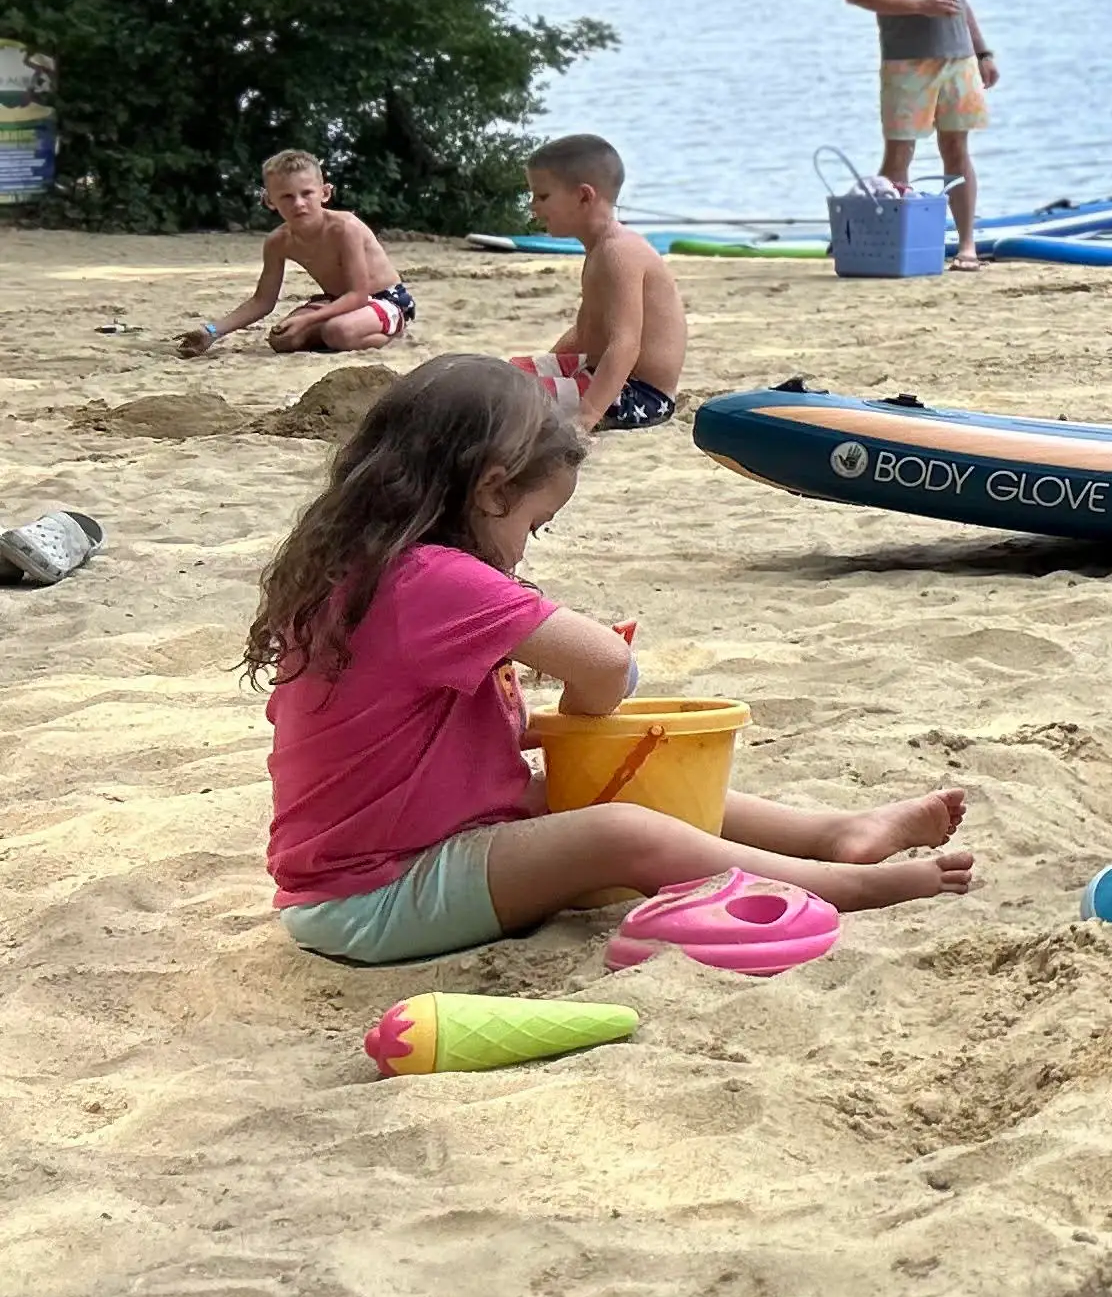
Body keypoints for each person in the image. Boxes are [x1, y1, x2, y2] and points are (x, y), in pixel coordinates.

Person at [251, 356, 972, 967]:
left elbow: (387, 732)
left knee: (597, 781)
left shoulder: (356, 569)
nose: (525, 548)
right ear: (492, 488)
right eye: (533, 524)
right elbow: (609, 669)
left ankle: (831, 835)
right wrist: (585, 708)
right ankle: (831, 882)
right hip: (374, 897)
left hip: (375, 864)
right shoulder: (429, 577)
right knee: (617, 826)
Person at [845, 0, 1000, 269]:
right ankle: (889, 243)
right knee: (901, 152)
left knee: (958, 148)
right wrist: (918, 5)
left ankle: (967, 245)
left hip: (959, 58)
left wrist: (981, 50)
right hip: (909, 61)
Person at [510, 134, 688, 432]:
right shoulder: (599, 247)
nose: (533, 208)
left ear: (583, 196)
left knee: (509, 397)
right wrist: (550, 364)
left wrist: (585, 419)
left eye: (541, 197)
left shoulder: (619, 253)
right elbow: (587, 329)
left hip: (639, 394)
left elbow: (625, 345)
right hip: (600, 373)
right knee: (506, 375)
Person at [180, 149, 412, 358]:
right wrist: (212, 331)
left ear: (325, 193)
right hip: (337, 301)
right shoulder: (278, 242)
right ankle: (340, 327)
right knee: (282, 339)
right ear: (270, 201)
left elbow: (358, 295)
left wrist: (308, 319)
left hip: (384, 299)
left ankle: (390, 331)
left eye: (306, 193)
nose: (299, 203)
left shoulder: (345, 228)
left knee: (337, 332)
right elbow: (262, 301)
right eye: (287, 197)